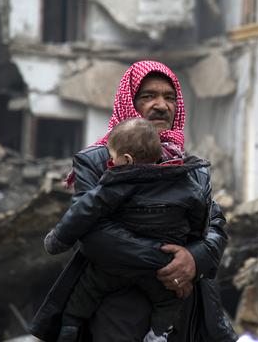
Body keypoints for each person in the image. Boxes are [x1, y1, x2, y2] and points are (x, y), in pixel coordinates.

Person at [29, 60, 238, 342]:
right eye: (148, 96)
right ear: (129, 103)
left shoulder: (191, 166)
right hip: (119, 305)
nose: (161, 105)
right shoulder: (98, 161)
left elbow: (214, 223)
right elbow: (94, 234)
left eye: (169, 97)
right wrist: (170, 261)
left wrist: (194, 259)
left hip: (183, 304)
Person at [43, 117, 212, 342]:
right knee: (171, 300)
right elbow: (201, 219)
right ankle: (159, 333)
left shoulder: (116, 182)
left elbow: (84, 213)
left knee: (86, 288)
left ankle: (70, 326)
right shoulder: (184, 178)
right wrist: (182, 250)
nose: (109, 163)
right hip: (162, 272)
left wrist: (58, 239)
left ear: (127, 159)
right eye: (148, 96)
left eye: (112, 158)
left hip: (114, 268)